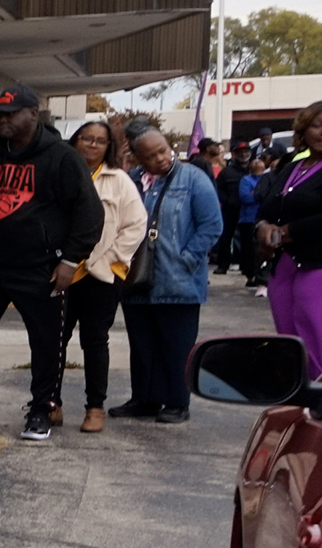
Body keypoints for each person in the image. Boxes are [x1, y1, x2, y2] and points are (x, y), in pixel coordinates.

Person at [0, 84, 102, 440]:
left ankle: (42, 409)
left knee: (45, 341)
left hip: (41, 267)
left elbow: (88, 212)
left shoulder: (61, 157)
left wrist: (71, 260)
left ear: (33, 113)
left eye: (10, 113)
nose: (3, 119)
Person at [113, 120, 223, 424]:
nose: (161, 158)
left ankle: (177, 401)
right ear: (137, 157)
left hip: (179, 281)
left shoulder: (193, 178)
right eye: (151, 155)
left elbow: (212, 225)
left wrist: (187, 258)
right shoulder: (131, 179)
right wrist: (122, 167)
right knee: (142, 345)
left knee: (176, 346)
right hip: (136, 277)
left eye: (163, 150)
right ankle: (145, 399)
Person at [58, 121, 146, 434]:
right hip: (62, 271)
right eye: (87, 139)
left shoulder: (119, 180)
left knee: (94, 341)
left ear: (108, 147)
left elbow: (136, 224)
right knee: (54, 339)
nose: (93, 145)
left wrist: (111, 261)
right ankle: (49, 402)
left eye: (100, 141)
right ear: (76, 140)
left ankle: (95, 407)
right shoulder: (60, 173)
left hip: (101, 273)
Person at [257, 100, 322, 377]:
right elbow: (267, 206)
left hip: (316, 264)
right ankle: (302, 401)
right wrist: (262, 226)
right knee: (289, 341)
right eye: (317, 125)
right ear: (304, 130)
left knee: (315, 332)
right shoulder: (291, 167)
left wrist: (289, 232)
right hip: (282, 267)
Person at [213, 145, 245, 274]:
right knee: (226, 237)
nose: (243, 155)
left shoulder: (253, 169)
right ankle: (223, 264)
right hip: (229, 209)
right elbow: (218, 189)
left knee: (246, 239)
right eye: (240, 152)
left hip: (247, 211)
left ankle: (244, 264)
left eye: (245, 152)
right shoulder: (226, 172)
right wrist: (227, 201)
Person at [239, 153, 267, 289]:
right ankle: (250, 276)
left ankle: (261, 275)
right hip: (247, 219)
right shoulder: (245, 180)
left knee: (260, 249)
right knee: (248, 250)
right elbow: (245, 197)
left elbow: (267, 195)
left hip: (261, 218)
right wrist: (258, 194)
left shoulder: (266, 179)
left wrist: (255, 194)